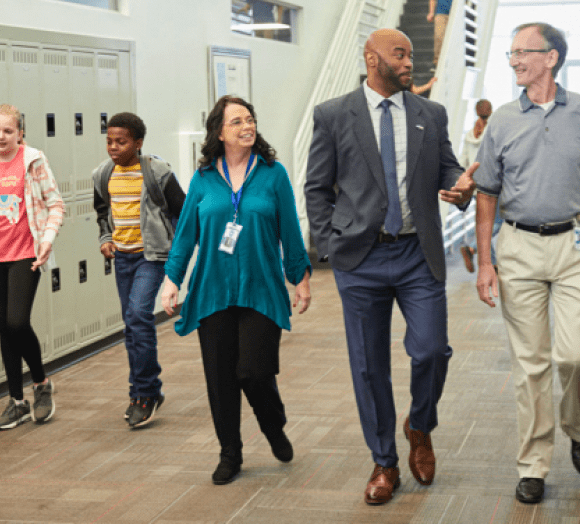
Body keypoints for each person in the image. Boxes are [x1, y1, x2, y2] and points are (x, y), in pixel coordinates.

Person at [305, 28, 477, 505]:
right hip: (359, 258)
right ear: (371, 56)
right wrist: (330, 245)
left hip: (416, 253)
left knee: (431, 351)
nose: (408, 62)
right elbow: (316, 187)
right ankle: (384, 461)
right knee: (368, 366)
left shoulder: (430, 114)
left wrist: (459, 188)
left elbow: (446, 168)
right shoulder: (334, 115)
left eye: (411, 54)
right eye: (399, 54)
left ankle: (419, 425)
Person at [473, 22, 580, 504]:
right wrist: (485, 262)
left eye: (524, 51)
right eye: (512, 53)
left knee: (576, 354)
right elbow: (486, 196)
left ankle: (577, 427)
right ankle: (534, 463)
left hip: (577, 244)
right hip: (518, 247)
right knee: (530, 363)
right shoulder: (500, 120)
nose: (516, 60)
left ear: (552, 57)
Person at [161, 95, 312, 485]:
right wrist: (171, 279)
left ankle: (273, 424)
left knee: (254, 372)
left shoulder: (273, 174)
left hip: (261, 289)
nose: (248, 126)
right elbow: (186, 237)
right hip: (212, 291)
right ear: (220, 132)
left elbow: (290, 231)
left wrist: (301, 277)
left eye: (251, 119)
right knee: (220, 378)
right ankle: (230, 452)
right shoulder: (203, 179)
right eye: (237, 121)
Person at [0, 104, 64, 430]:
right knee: (5, 327)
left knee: (18, 322)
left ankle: (41, 383)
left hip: (25, 253)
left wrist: (47, 239)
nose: (1, 136)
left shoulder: (32, 160)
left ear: (20, 133)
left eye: (8, 131)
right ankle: (16, 401)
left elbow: (56, 204)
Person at [93, 112, 185, 428]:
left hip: (152, 256)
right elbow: (102, 213)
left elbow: (182, 211)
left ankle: (144, 393)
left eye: (121, 141)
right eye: (109, 141)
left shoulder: (156, 172)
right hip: (124, 259)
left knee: (138, 316)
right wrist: (106, 239)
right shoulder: (103, 174)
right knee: (131, 326)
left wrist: (175, 252)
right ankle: (144, 392)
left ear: (138, 142)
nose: (114, 147)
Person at [458, 99, 501, 272]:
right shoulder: (495, 132)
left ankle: (493, 263)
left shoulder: (470, 135)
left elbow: (463, 161)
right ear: (491, 110)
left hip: (477, 188)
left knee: (485, 223)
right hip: (495, 186)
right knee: (498, 222)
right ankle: (472, 248)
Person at [427, 0, 461, 71]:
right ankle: (437, 63)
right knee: (439, 37)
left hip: (454, 13)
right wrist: (431, 12)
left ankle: (452, 62)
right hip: (440, 13)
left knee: (452, 38)